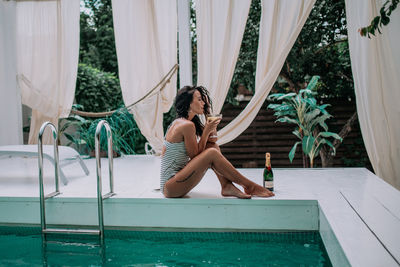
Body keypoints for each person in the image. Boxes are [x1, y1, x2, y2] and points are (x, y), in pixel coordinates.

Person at [160, 85, 275, 199]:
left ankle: (226, 186)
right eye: (199, 99)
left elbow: (213, 140)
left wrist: (208, 114)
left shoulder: (185, 122)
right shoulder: (186, 125)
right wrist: (206, 132)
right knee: (211, 153)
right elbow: (195, 155)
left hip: (177, 182)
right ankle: (249, 186)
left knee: (213, 147)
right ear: (189, 103)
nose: (203, 103)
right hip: (171, 187)